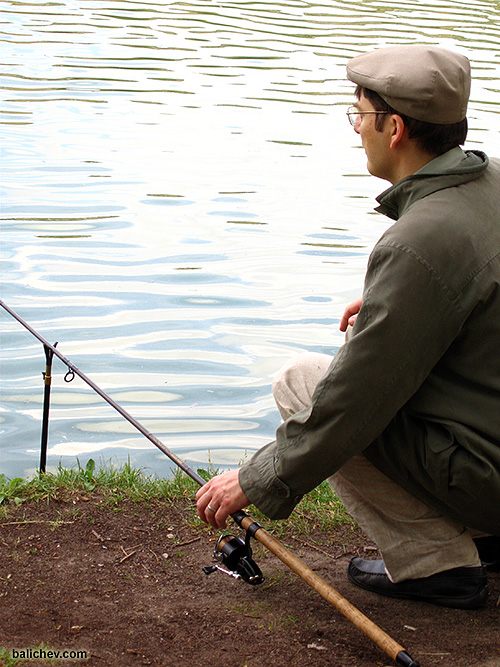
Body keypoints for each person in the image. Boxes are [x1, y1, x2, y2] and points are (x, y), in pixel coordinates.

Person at [196, 44, 500, 609]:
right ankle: (486, 538)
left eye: (358, 113)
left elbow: (354, 400)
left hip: (489, 471)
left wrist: (257, 479)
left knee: (300, 381)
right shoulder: (491, 183)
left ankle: (436, 564)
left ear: (395, 129)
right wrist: (414, 302)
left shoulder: (420, 243)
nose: (354, 127)